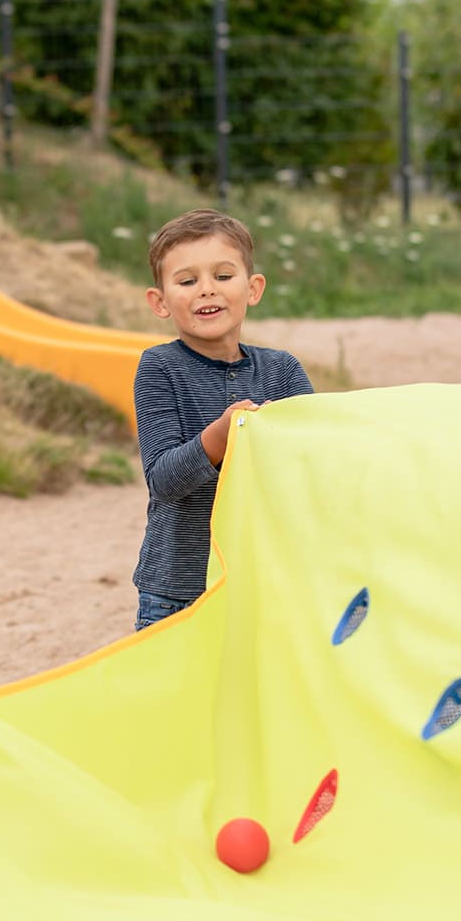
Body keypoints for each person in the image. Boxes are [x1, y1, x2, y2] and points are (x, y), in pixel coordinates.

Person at [132, 208, 312, 630]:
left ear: (253, 288)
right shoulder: (160, 368)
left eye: (223, 276)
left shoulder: (281, 371)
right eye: (188, 281)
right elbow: (164, 480)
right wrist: (222, 434)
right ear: (160, 301)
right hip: (178, 589)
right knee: (176, 696)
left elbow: (309, 466)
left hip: (263, 582)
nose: (207, 291)